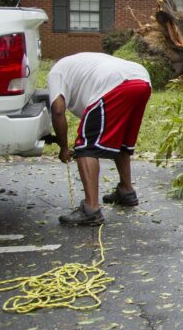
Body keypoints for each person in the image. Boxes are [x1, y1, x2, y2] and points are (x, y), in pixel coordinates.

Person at [47, 52, 152, 226]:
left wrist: (64, 148)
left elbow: (58, 110)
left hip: (113, 83)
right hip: (141, 80)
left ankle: (91, 209)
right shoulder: (79, 64)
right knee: (121, 139)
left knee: (85, 146)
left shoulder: (55, 73)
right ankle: (126, 191)